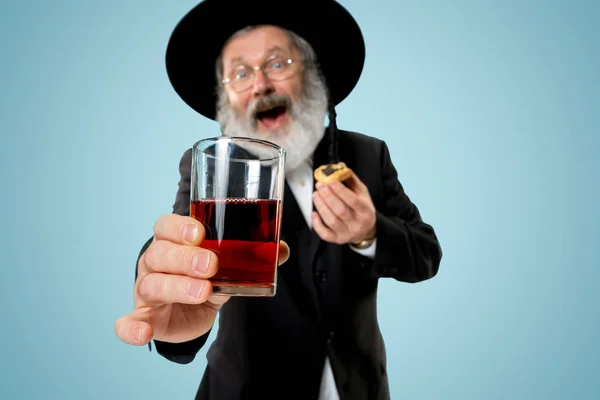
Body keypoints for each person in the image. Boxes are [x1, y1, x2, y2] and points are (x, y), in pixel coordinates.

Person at [114, 0, 443, 399]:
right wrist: (162, 279)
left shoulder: (368, 155)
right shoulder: (210, 169)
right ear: (225, 98)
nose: (261, 84)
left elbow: (426, 256)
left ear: (313, 76)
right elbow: (183, 249)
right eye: (239, 73)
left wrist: (370, 232)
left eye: (278, 63)